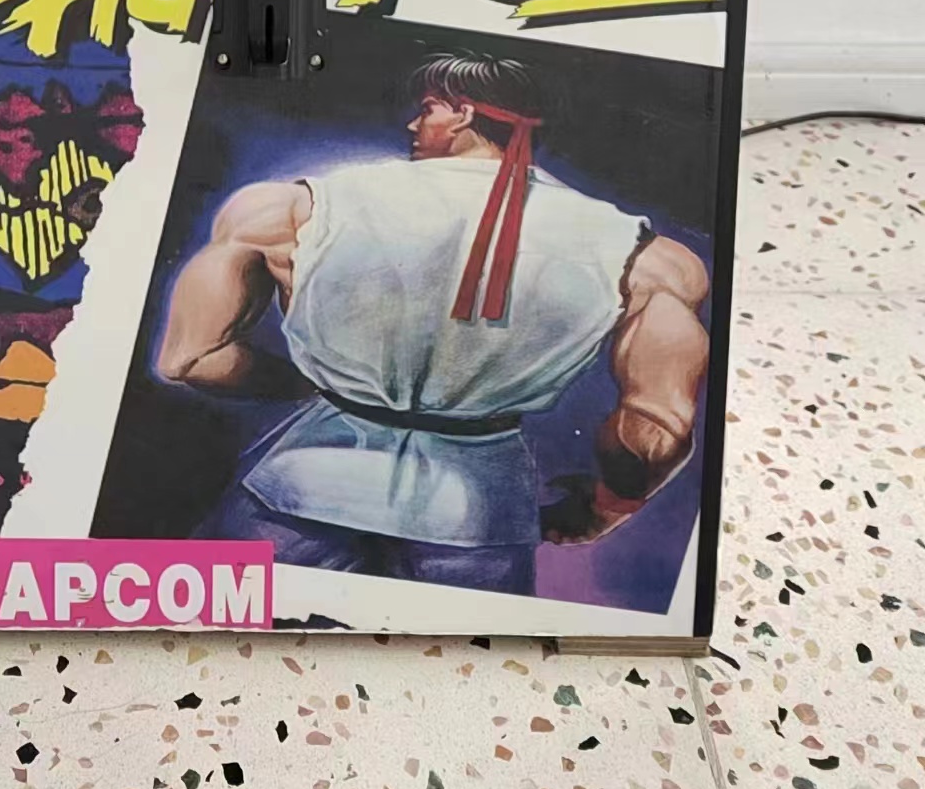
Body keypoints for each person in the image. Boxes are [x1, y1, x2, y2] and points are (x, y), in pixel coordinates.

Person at [158, 53, 708, 593]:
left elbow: (191, 359)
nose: (412, 124)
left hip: (298, 489)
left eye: (426, 108)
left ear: (463, 113)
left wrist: (306, 388)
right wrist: (609, 506)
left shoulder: (288, 209)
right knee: (460, 649)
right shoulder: (648, 259)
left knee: (210, 630)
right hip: (477, 518)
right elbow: (657, 431)